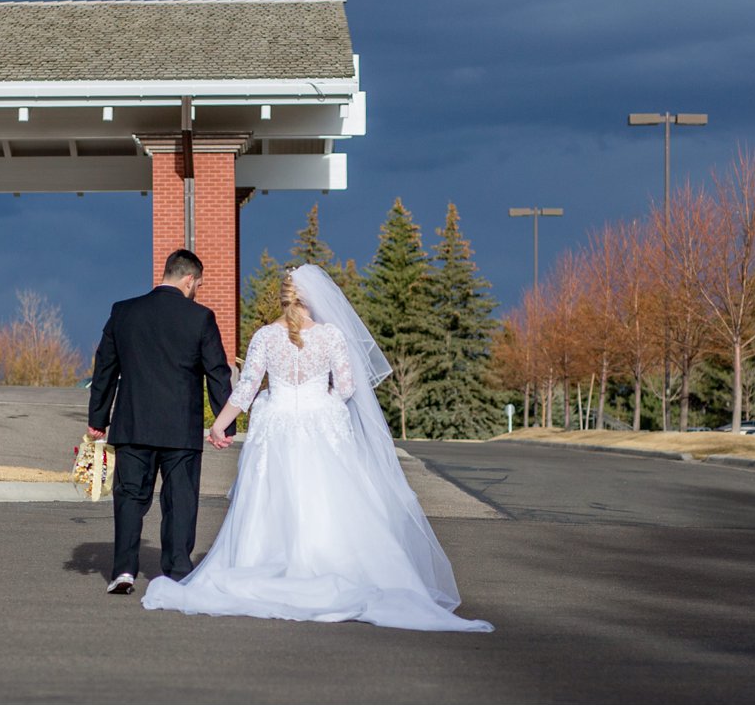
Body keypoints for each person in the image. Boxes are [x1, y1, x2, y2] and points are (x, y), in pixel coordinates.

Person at [141, 265, 493, 632]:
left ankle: (260, 566)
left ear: (283, 297)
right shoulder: (331, 336)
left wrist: (218, 424)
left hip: (276, 424)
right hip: (319, 422)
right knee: (325, 495)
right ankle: (329, 565)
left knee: (271, 496)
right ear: (314, 299)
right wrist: (319, 399)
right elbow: (345, 387)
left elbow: (245, 390)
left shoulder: (264, 336)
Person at [88, 249, 234, 595]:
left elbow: (105, 368)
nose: (197, 288)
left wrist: (98, 419)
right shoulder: (200, 318)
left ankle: (123, 570)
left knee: (130, 498)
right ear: (188, 279)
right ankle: (177, 569)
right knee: (180, 499)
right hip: (180, 429)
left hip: (134, 424)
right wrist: (225, 425)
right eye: (198, 282)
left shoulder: (123, 312)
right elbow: (217, 372)